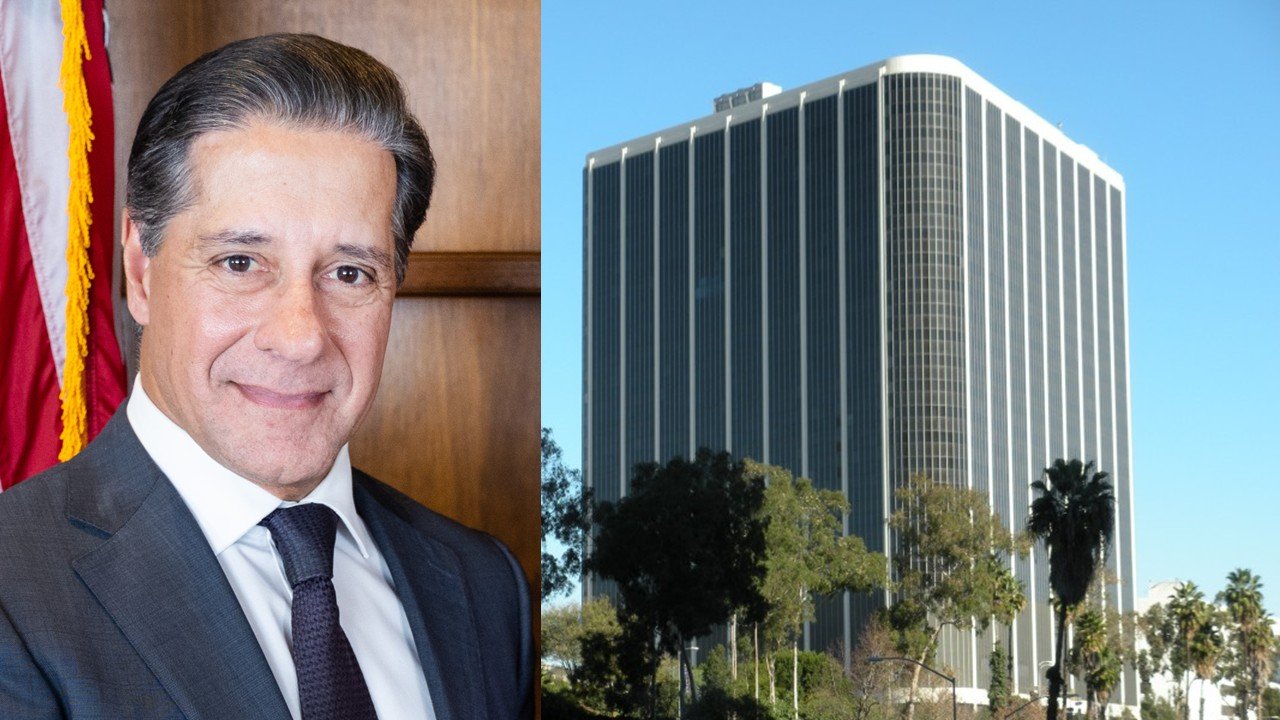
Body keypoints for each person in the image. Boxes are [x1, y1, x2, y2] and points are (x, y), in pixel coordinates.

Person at [0, 34, 532, 719]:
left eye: (349, 273)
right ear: (140, 270)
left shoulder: (484, 584)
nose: (300, 336)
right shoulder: (14, 589)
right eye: (240, 263)